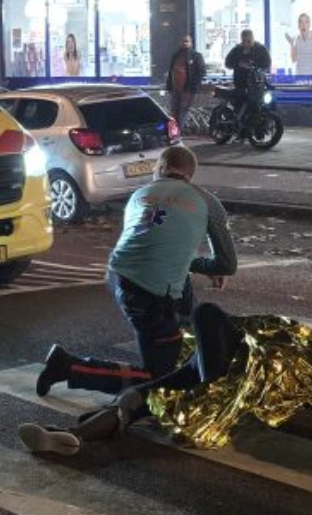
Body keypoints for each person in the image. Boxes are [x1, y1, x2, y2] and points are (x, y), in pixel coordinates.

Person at [35, 145, 237, 396]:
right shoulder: (208, 202)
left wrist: (188, 263)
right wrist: (204, 266)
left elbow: (153, 246)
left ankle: (186, 352)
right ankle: (69, 367)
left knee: (182, 303)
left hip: (119, 274)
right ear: (190, 175)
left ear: (162, 168)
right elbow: (228, 264)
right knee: (157, 379)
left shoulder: (139, 195)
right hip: (149, 294)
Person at [20, 301, 312, 455]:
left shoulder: (308, 356)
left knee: (206, 315)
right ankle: (71, 437)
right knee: (140, 396)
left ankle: (74, 433)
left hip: (226, 373)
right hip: (214, 375)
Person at [165, 36, 207, 132]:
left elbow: (202, 72)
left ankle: (178, 131)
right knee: (174, 110)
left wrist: (193, 85)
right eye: (183, 41)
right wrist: (169, 85)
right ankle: (174, 131)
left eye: (187, 41)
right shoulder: (176, 55)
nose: (185, 43)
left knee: (183, 110)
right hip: (176, 88)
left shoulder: (196, 56)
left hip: (187, 88)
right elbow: (171, 70)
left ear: (191, 42)